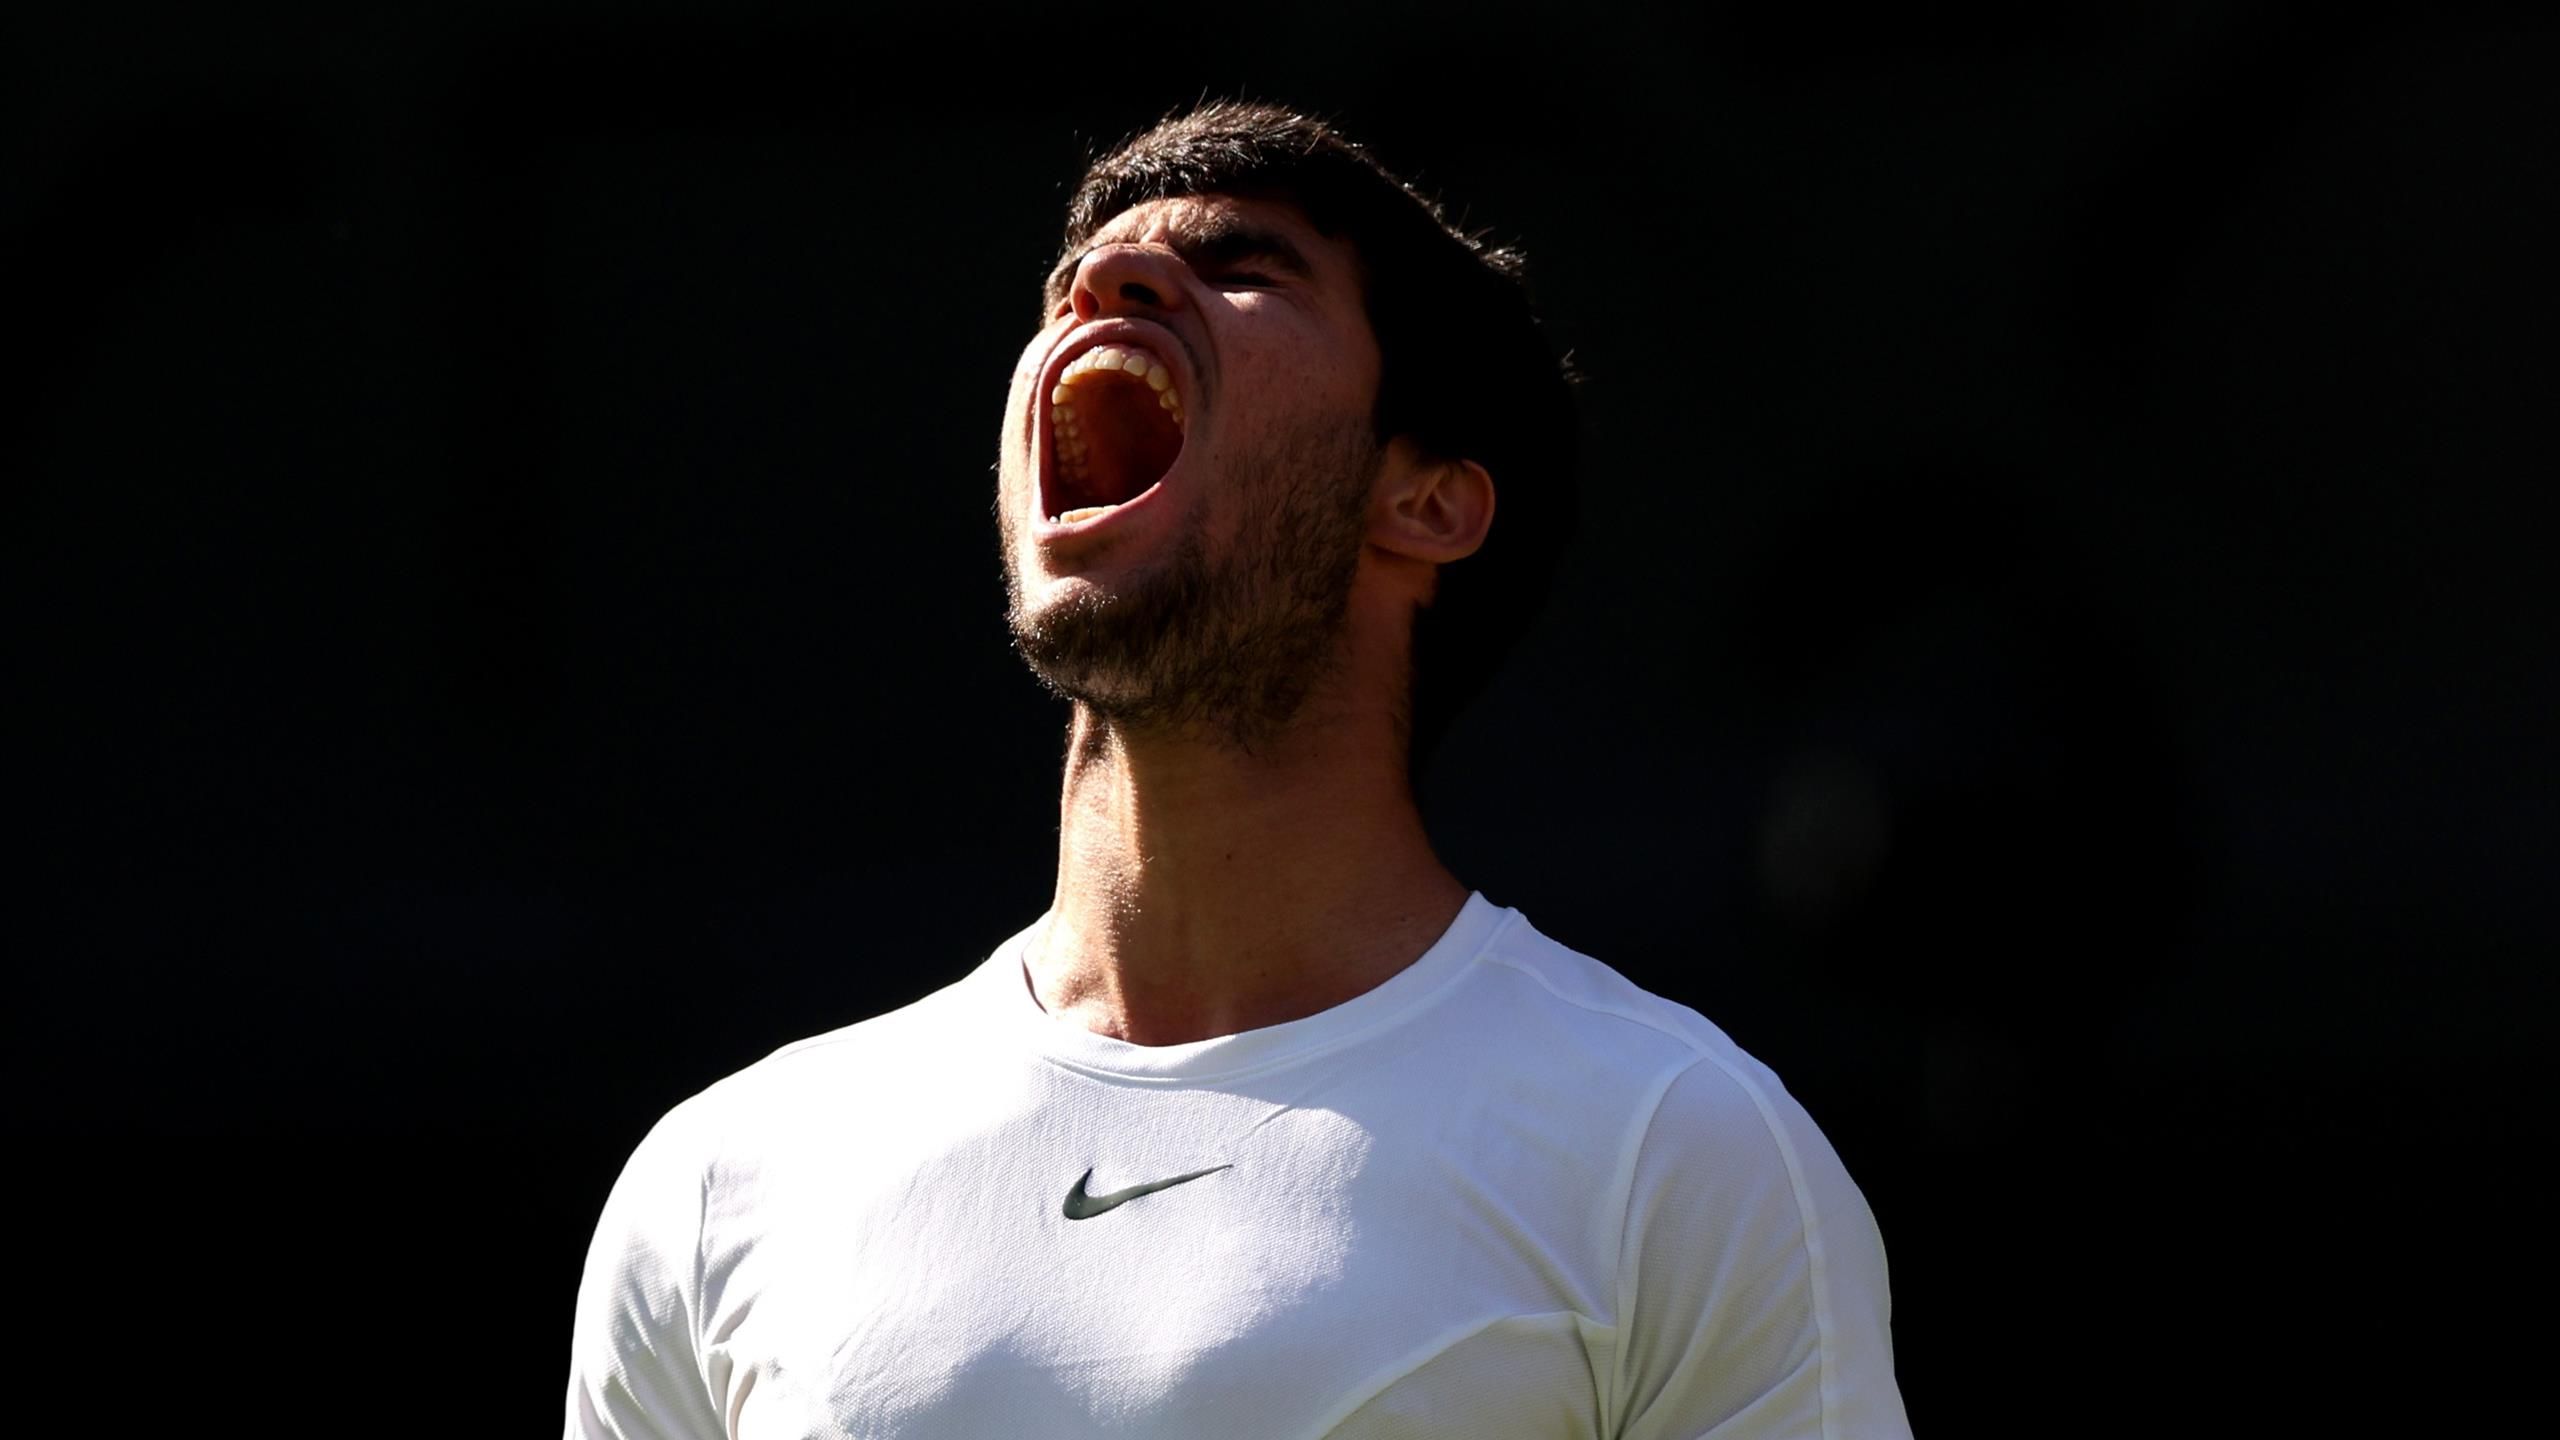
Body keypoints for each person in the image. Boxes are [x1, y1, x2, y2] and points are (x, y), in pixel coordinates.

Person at [564, 100, 1911, 1439]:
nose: (1105, 279)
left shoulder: (1676, 1155)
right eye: (1071, 281)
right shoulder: (721, 1184)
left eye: (1245, 267)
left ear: (1425, 498)